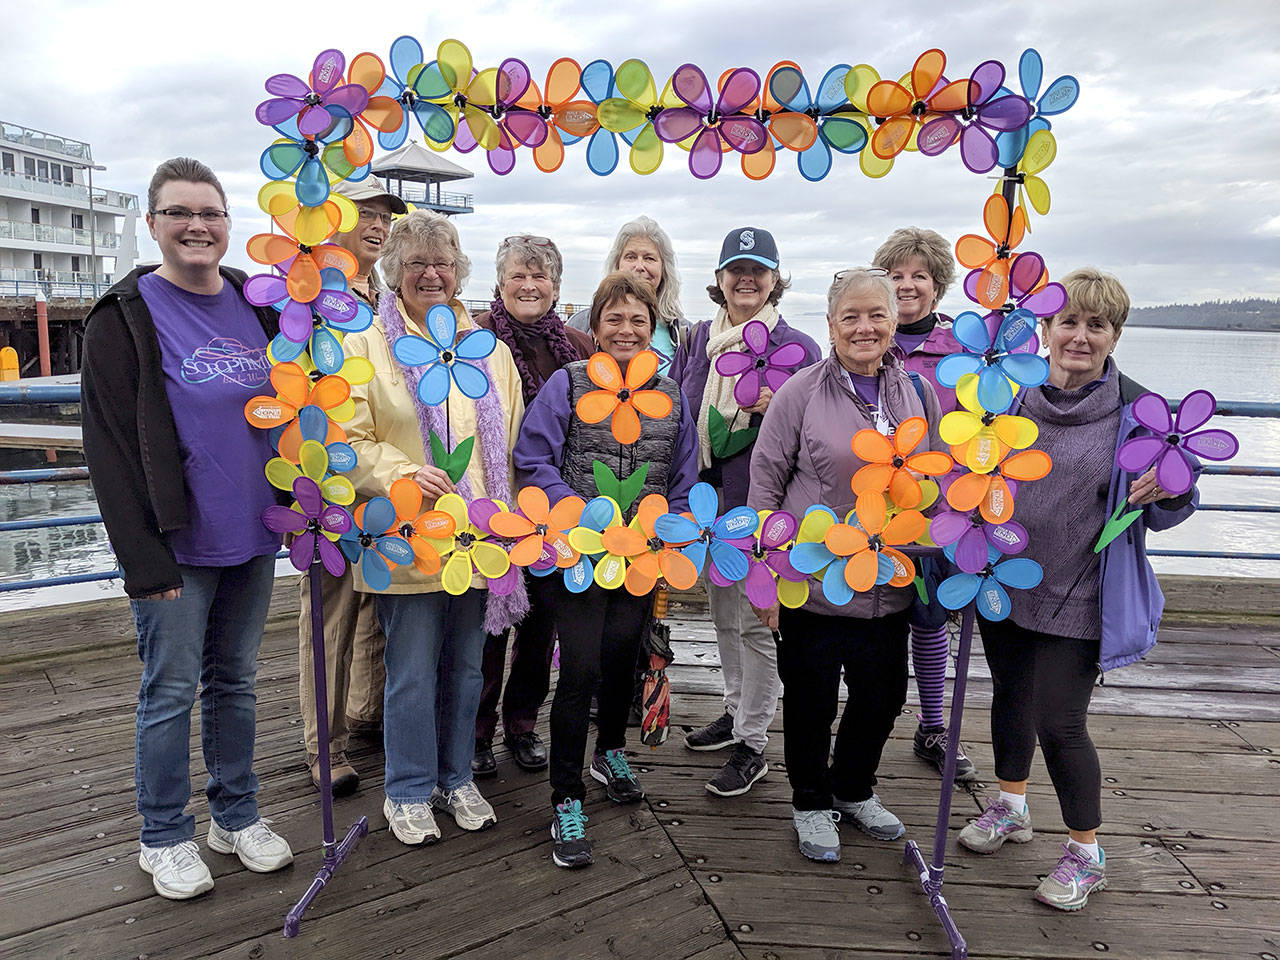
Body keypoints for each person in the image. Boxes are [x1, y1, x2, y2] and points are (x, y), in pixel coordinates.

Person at [81, 157, 293, 900]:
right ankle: (163, 834)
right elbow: (107, 448)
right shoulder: (125, 314)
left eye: (210, 212)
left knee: (235, 683)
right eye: (178, 213)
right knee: (169, 692)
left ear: (229, 223)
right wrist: (144, 561)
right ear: (153, 224)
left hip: (254, 535)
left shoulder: (254, 300)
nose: (196, 225)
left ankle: (234, 816)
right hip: (175, 545)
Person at [957, 268, 1198, 911]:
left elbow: (1175, 499)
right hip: (1004, 579)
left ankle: (1086, 854)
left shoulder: (1138, 411)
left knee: (1059, 721)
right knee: (1009, 694)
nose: (1080, 336)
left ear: (1115, 336)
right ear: (1046, 328)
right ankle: (1011, 805)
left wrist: (1171, 490)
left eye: (1097, 325)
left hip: (1082, 591)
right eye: (1069, 321)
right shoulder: (1008, 399)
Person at [341, 210, 525, 845]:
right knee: (413, 669)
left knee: (467, 668)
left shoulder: (493, 353)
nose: (431, 273)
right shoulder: (365, 346)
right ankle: (408, 788)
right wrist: (403, 471)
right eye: (415, 262)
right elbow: (351, 440)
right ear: (394, 272)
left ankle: (456, 777)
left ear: (458, 272)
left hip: (477, 541)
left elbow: (510, 451)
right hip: (407, 538)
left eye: (442, 262)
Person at [748, 267, 945, 862]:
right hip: (812, 579)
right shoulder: (800, 392)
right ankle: (811, 801)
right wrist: (766, 574)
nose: (864, 327)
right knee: (810, 699)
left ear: (894, 322)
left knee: (882, 697)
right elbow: (764, 483)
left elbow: (930, 482)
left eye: (876, 315)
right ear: (831, 324)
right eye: (851, 317)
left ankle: (854, 788)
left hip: (889, 579)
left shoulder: (919, 394)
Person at [514, 271, 699, 869]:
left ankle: (611, 750)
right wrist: (578, 517)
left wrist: (664, 526)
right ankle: (567, 798)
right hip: (578, 556)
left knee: (624, 656)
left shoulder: (671, 396)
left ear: (654, 331)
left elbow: (683, 475)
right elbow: (532, 457)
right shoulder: (566, 386)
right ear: (594, 328)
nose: (625, 329)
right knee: (580, 670)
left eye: (637, 320)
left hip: (641, 556)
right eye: (613, 319)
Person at [671, 227, 820, 798]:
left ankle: (753, 743)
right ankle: (736, 712)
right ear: (720, 280)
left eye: (759, 269)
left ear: (775, 279)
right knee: (724, 619)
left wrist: (776, 406)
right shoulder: (697, 339)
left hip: (763, 509)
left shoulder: (801, 347)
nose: (747, 279)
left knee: (760, 625)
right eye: (736, 269)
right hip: (709, 506)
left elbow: (815, 435)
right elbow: (684, 420)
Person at [296, 175, 406, 797]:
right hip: (325, 475)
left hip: (378, 466)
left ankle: (364, 711)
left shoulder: (385, 296)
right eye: (364, 211)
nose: (376, 224)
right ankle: (324, 744)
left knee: (374, 599)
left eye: (384, 216)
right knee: (330, 610)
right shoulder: (306, 286)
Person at [470, 235, 594, 777]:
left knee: (542, 625)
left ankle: (521, 724)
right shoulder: (474, 339)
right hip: (494, 504)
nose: (529, 285)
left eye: (540, 276)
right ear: (500, 283)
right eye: (518, 275)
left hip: (554, 509)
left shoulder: (578, 344)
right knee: (489, 626)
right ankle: (475, 732)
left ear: (557, 286)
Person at [871, 227, 978, 783]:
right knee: (874, 623)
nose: (908, 285)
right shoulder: (864, 342)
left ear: (938, 289)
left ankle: (934, 725)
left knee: (932, 617)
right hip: (873, 513)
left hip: (938, 511)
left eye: (920, 276)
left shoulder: (960, 354)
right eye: (897, 275)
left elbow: (978, 430)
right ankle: (870, 725)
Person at [566, 215, 689, 374]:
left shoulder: (685, 334)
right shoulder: (581, 324)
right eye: (631, 257)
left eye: (649, 258)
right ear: (617, 264)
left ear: (664, 269)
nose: (639, 266)